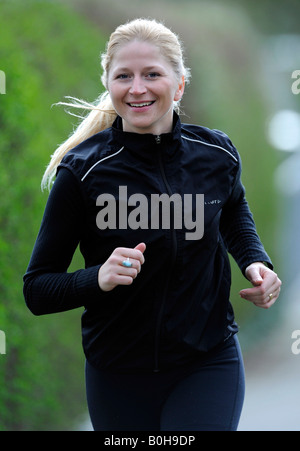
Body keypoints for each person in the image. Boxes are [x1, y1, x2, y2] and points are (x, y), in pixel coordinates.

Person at [23, 18, 282, 431]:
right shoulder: (83, 173)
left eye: (152, 74)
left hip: (208, 361)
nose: (137, 88)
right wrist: (98, 278)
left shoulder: (216, 154)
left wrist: (256, 261)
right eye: (123, 75)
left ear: (179, 85)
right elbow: (37, 289)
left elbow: (232, 210)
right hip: (118, 374)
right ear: (108, 82)